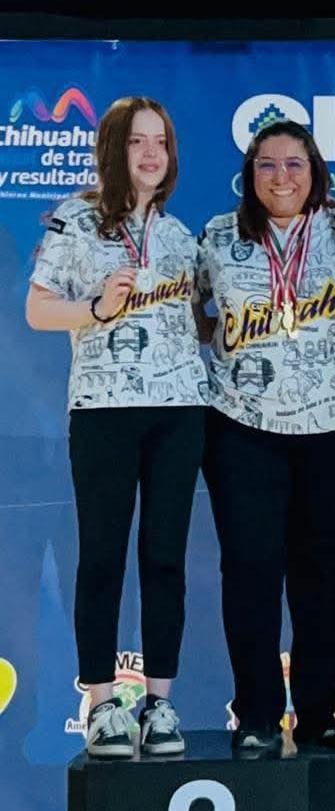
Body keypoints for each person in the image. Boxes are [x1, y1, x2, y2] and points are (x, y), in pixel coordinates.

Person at [26, 96, 207, 758]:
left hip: (180, 410)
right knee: (102, 557)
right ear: (113, 149)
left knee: (165, 557)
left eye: (161, 142)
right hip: (103, 410)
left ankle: (160, 703)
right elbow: (37, 310)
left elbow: (198, 319)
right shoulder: (77, 221)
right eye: (137, 141)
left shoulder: (179, 234)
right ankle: (102, 704)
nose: (151, 153)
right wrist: (97, 309)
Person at [197, 120, 335, 755]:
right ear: (249, 174)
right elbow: (187, 308)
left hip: (334, 429)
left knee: (322, 577)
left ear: (316, 171)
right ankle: (255, 714)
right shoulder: (219, 236)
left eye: (294, 164)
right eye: (267, 165)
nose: (281, 177)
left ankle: (319, 713)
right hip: (241, 429)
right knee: (250, 573)